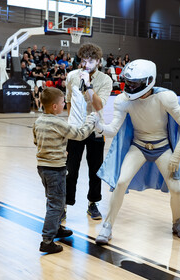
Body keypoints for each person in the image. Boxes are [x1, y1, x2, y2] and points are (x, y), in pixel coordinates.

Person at [94, 59, 180, 245]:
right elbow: (113, 129)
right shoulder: (123, 101)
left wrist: (177, 153)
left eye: (135, 83)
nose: (130, 87)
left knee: (176, 188)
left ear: (149, 81)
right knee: (121, 182)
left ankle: (177, 221)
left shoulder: (165, 97)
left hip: (162, 147)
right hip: (138, 146)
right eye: (128, 82)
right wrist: (99, 127)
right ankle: (107, 226)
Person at [33, 87, 97, 254]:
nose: (64, 105)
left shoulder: (38, 121)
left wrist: (58, 149)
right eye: (63, 102)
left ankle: (56, 229)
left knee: (54, 199)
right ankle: (47, 240)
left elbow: (37, 141)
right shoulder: (59, 123)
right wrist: (92, 120)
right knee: (56, 203)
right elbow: (80, 134)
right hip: (55, 169)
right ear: (55, 106)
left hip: (42, 167)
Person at [65, 43, 113, 220]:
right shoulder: (71, 76)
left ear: (98, 62)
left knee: (95, 170)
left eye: (90, 61)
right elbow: (68, 100)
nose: (86, 65)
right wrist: (72, 123)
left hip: (95, 129)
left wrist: (88, 85)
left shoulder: (106, 80)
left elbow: (99, 105)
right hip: (75, 130)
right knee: (71, 169)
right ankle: (65, 204)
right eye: (83, 61)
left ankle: (93, 204)